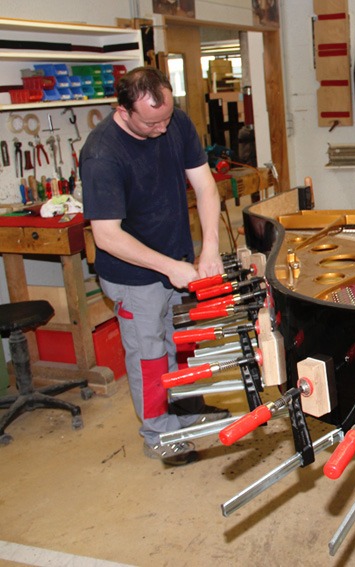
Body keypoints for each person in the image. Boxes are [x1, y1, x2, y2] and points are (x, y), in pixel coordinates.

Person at [80, 66, 229, 466]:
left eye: (166, 117)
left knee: (182, 345)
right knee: (149, 355)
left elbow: (205, 186)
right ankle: (160, 435)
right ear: (124, 110)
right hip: (134, 275)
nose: (163, 129)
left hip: (178, 258)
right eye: (152, 122)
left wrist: (209, 247)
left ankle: (186, 413)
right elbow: (107, 236)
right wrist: (168, 267)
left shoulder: (174, 121)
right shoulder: (102, 154)